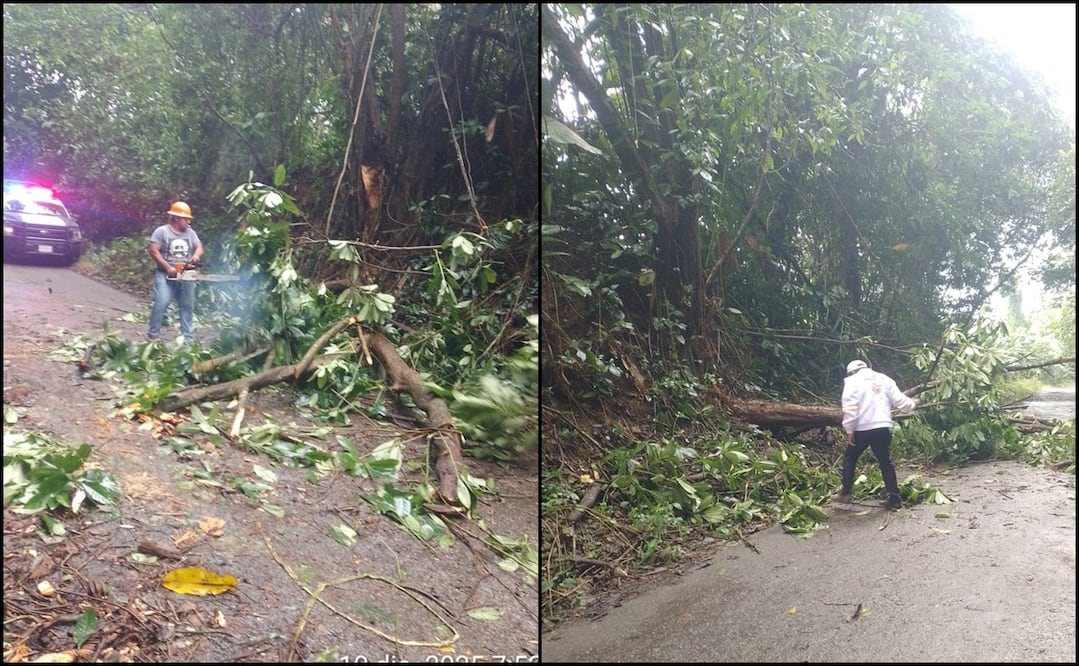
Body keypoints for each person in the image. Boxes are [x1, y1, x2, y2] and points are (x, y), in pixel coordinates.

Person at [836, 359, 919, 510]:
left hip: (862, 429)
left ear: (851, 372)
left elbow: (850, 408)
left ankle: (846, 492)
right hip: (882, 427)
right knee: (885, 462)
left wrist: (849, 430)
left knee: (850, 457)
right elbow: (901, 402)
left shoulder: (852, 381)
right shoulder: (884, 379)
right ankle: (895, 498)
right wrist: (913, 404)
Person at [147, 201, 203, 344]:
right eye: (186, 219)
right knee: (161, 303)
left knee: (187, 306)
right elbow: (153, 251)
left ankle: (188, 339)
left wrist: (196, 255)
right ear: (177, 218)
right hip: (165, 275)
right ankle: (152, 336)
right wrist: (168, 268)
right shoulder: (162, 232)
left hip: (186, 274)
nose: (188, 221)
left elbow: (199, 247)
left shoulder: (190, 233)